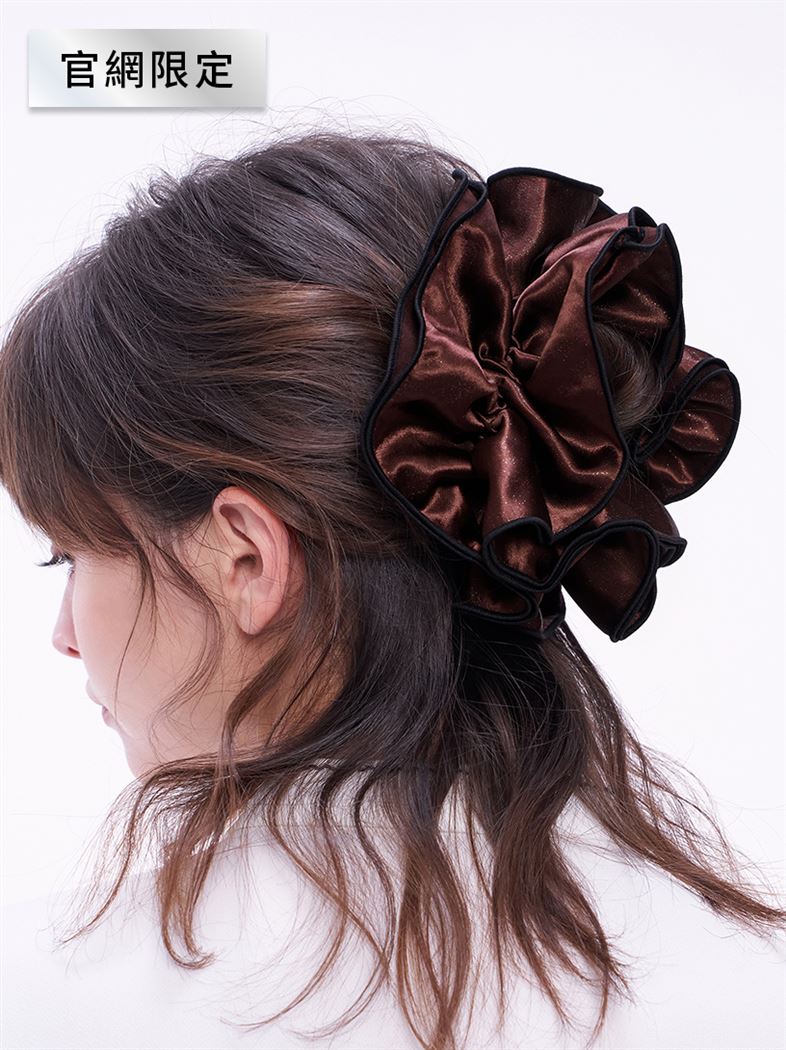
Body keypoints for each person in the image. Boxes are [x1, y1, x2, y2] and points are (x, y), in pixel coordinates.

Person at [0, 128, 783, 1049]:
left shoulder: (56, 996)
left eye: (72, 557)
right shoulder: (747, 974)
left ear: (244, 559)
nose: (65, 634)